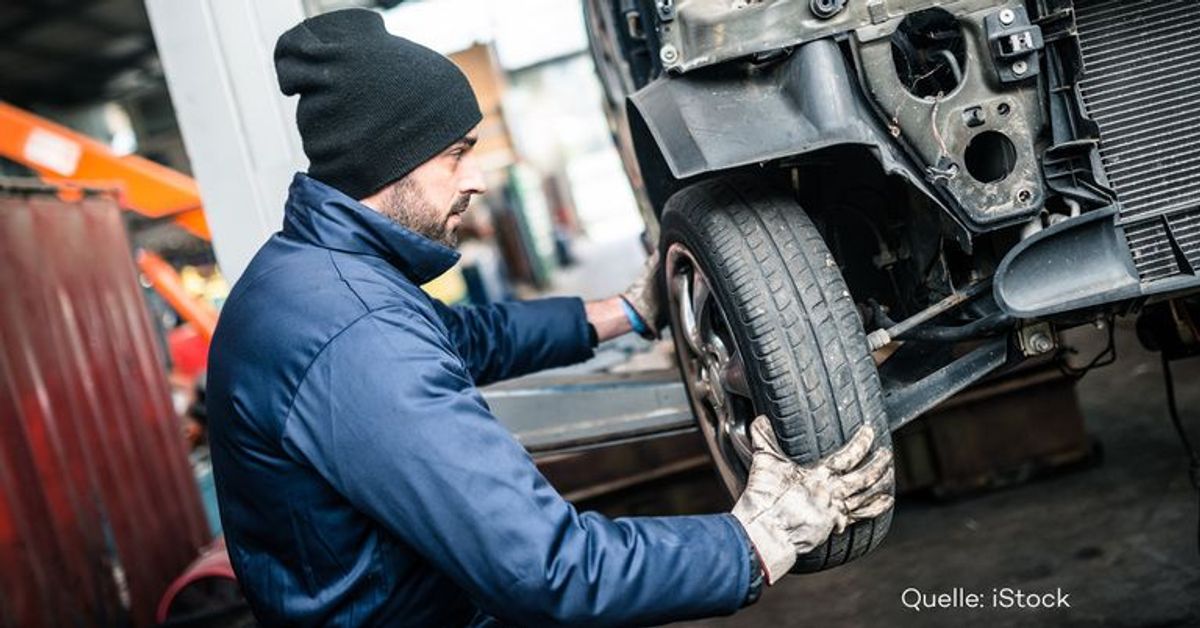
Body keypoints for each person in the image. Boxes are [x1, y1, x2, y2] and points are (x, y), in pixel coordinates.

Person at [206, 8, 894, 627]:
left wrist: (624, 311)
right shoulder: (355, 336)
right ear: (389, 159)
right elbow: (544, 570)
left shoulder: (314, 276)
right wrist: (756, 540)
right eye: (455, 155)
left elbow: (466, 340)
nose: (475, 179)